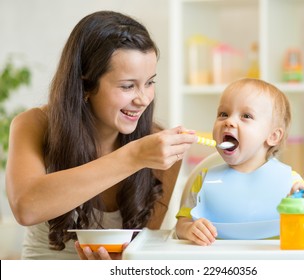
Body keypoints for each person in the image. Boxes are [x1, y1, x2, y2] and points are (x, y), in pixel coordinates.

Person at [5, 10, 196, 260]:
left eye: (150, 82)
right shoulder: (35, 124)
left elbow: (143, 248)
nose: (143, 99)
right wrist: (134, 157)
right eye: (128, 86)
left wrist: (123, 264)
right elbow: (26, 207)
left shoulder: (158, 149)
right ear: (85, 85)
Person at [175, 78, 304, 246]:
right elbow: (180, 226)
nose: (229, 121)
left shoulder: (290, 183)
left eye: (246, 116)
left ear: (273, 136)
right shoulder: (204, 180)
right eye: (223, 114)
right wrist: (189, 229)